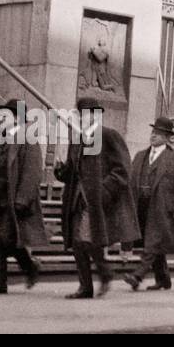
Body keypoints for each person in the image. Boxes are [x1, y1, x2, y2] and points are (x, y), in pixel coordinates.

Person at [55, 98, 140, 299]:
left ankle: (103, 274)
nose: (80, 118)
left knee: (85, 239)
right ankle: (89, 285)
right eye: (79, 114)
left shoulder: (109, 135)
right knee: (78, 243)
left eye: (83, 114)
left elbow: (123, 170)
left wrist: (104, 191)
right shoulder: (77, 140)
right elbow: (72, 172)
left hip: (97, 200)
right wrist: (61, 171)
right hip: (77, 199)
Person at [124, 118, 174, 292]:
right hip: (142, 205)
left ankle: (137, 275)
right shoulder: (140, 156)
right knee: (152, 241)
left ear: (167, 138)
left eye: (159, 134)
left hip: (162, 207)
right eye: (153, 132)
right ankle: (163, 280)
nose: (154, 136)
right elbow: (131, 181)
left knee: (153, 241)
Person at [0, 98, 44, 293]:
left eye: (4, 115)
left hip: (13, 199)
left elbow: (32, 172)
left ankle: (2, 282)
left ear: (17, 118)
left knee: (3, 240)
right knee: (5, 240)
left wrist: (22, 200)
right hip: (0, 197)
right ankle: (30, 266)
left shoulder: (27, 138)